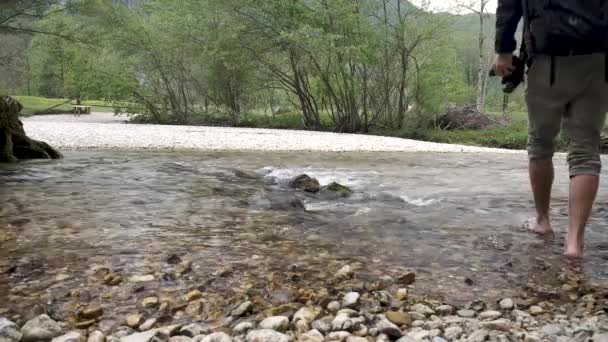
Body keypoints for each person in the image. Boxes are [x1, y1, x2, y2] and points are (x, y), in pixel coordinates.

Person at [494, 0, 608, 257]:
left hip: (547, 56)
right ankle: (574, 243)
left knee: (541, 144)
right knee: (586, 150)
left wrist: (503, 49)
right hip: (598, 57)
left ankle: (542, 221)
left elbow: (509, 4)